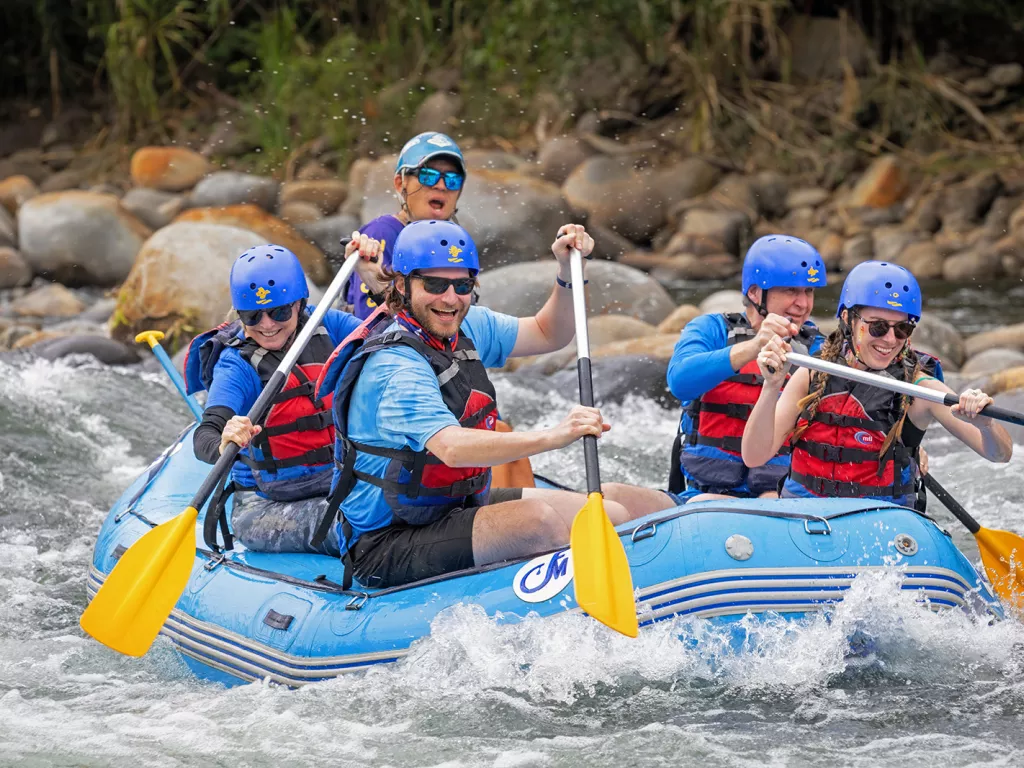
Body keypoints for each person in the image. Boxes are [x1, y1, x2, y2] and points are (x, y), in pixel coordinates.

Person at [316, 220, 647, 588]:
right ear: (402, 284)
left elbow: (549, 332)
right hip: (388, 541)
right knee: (539, 523)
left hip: (457, 504)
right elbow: (452, 449)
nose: (450, 298)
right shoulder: (394, 366)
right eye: (435, 284)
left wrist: (568, 272)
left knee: (611, 515)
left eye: (462, 285)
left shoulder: (465, 325)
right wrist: (553, 436)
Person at [741, 260, 1012, 504]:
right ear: (848, 318)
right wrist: (771, 386)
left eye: (902, 329)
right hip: (804, 514)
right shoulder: (812, 374)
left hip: (878, 523)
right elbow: (754, 457)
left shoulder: (921, 391)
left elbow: (1000, 455)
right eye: (878, 327)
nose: (890, 340)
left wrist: (985, 425)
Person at [185, 239, 382, 555]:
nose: (266, 325)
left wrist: (377, 282)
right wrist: (223, 441)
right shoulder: (237, 364)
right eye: (252, 316)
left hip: (338, 484)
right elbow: (205, 435)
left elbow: (396, 340)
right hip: (264, 507)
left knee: (405, 502)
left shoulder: (325, 324)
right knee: (359, 521)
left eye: (278, 311)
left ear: (300, 303)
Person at [666, 235, 828, 502]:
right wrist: (754, 347)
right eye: (791, 290)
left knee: (770, 500)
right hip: (705, 493)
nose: (803, 304)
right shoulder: (711, 329)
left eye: (808, 291)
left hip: (780, 496)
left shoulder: (817, 348)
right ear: (754, 292)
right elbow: (680, 382)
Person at [345, 131, 466, 319]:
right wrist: (379, 286)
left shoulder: (457, 245)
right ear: (400, 183)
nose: (441, 186)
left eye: (452, 180)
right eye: (428, 175)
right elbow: (370, 330)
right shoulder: (381, 234)